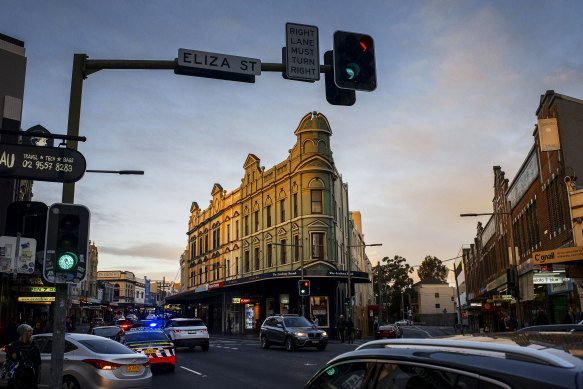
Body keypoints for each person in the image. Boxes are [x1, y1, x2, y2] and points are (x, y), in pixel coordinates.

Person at [5, 324, 41, 389]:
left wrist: (37, 377)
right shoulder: (15, 345)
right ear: (23, 333)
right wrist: (13, 357)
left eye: (31, 331)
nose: (31, 333)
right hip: (17, 376)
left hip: (29, 376)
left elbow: (37, 362)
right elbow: (9, 361)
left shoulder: (33, 344)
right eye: (29, 331)